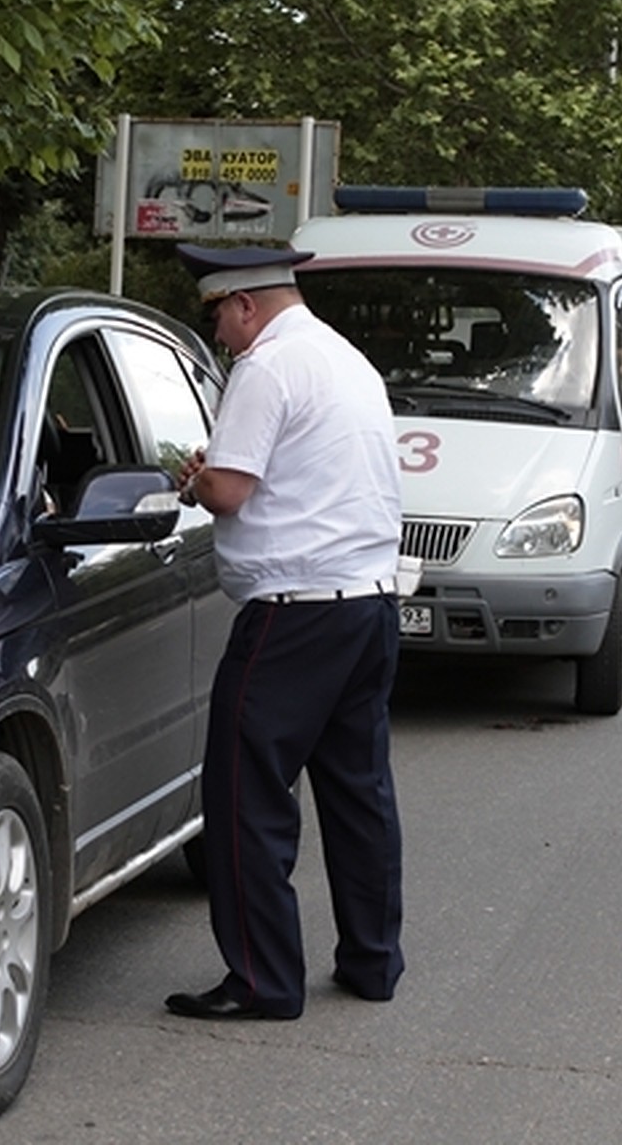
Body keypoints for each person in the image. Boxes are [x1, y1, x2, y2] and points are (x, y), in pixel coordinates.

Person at [166, 243, 405, 1021]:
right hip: (367, 604)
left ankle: (263, 980)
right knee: (358, 794)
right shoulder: (347, 360)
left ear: (244, 304)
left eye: (219, 317)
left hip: (292, 614)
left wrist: (196, 477)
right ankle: (373, 963)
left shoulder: (265, 368)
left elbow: (231, 492)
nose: (221, 334)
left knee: (244, 796)